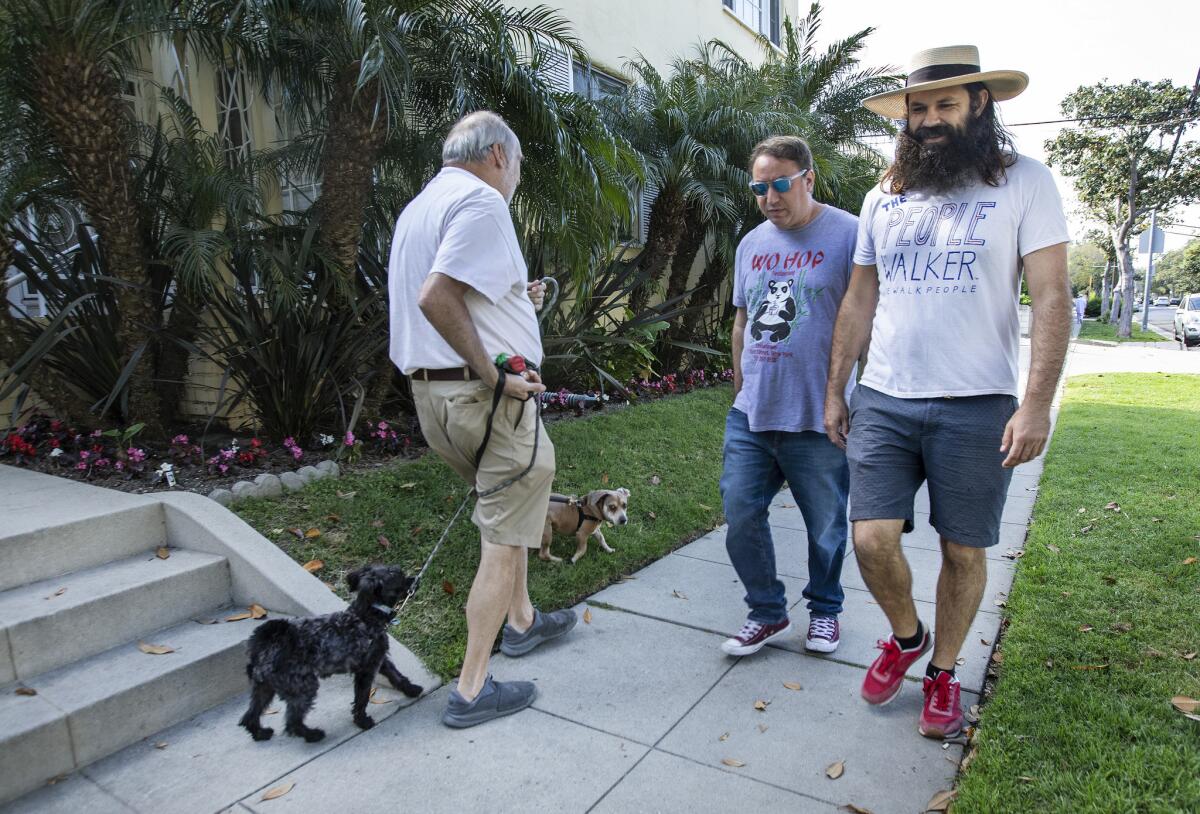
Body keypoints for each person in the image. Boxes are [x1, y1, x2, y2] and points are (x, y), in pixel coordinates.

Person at [823, 45, 1071, 738]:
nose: (930, 119)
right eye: (919, 107)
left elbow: (1052, 294)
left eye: (945, 105)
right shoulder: (884, 195)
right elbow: (858, 298)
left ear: (979, 105)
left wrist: (1037, 402)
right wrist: (836, 390)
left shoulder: (1025, 182)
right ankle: (906, 638)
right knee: (871, 538)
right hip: (886, 397)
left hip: (978, 403)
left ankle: (943, 671)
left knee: (964, 551)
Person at [388, 110, 576, 729]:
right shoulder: (482, 202)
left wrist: (519, 297)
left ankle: (521, 621)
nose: (516, 177)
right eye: (517, 165)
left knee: (508, 512)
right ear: (498, 155)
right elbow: (436, 297)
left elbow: (461, 295)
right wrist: (496, 376)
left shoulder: (421, 207)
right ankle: (472, 689)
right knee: (504, 530)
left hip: (435, 401)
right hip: (487, 401)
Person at [718, 136, 859, 658]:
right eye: (759, 187)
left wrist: (845, 393)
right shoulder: (752, 243)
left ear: (808, 179)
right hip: (753, 412)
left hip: (819, 416)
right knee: (740, 511)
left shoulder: (849, 235)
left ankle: (825, 611)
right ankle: (767, 611)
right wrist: (739, 382)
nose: (770, 197)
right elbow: (741, 320)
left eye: (780, 184)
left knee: (824, 524)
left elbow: (868, 315)